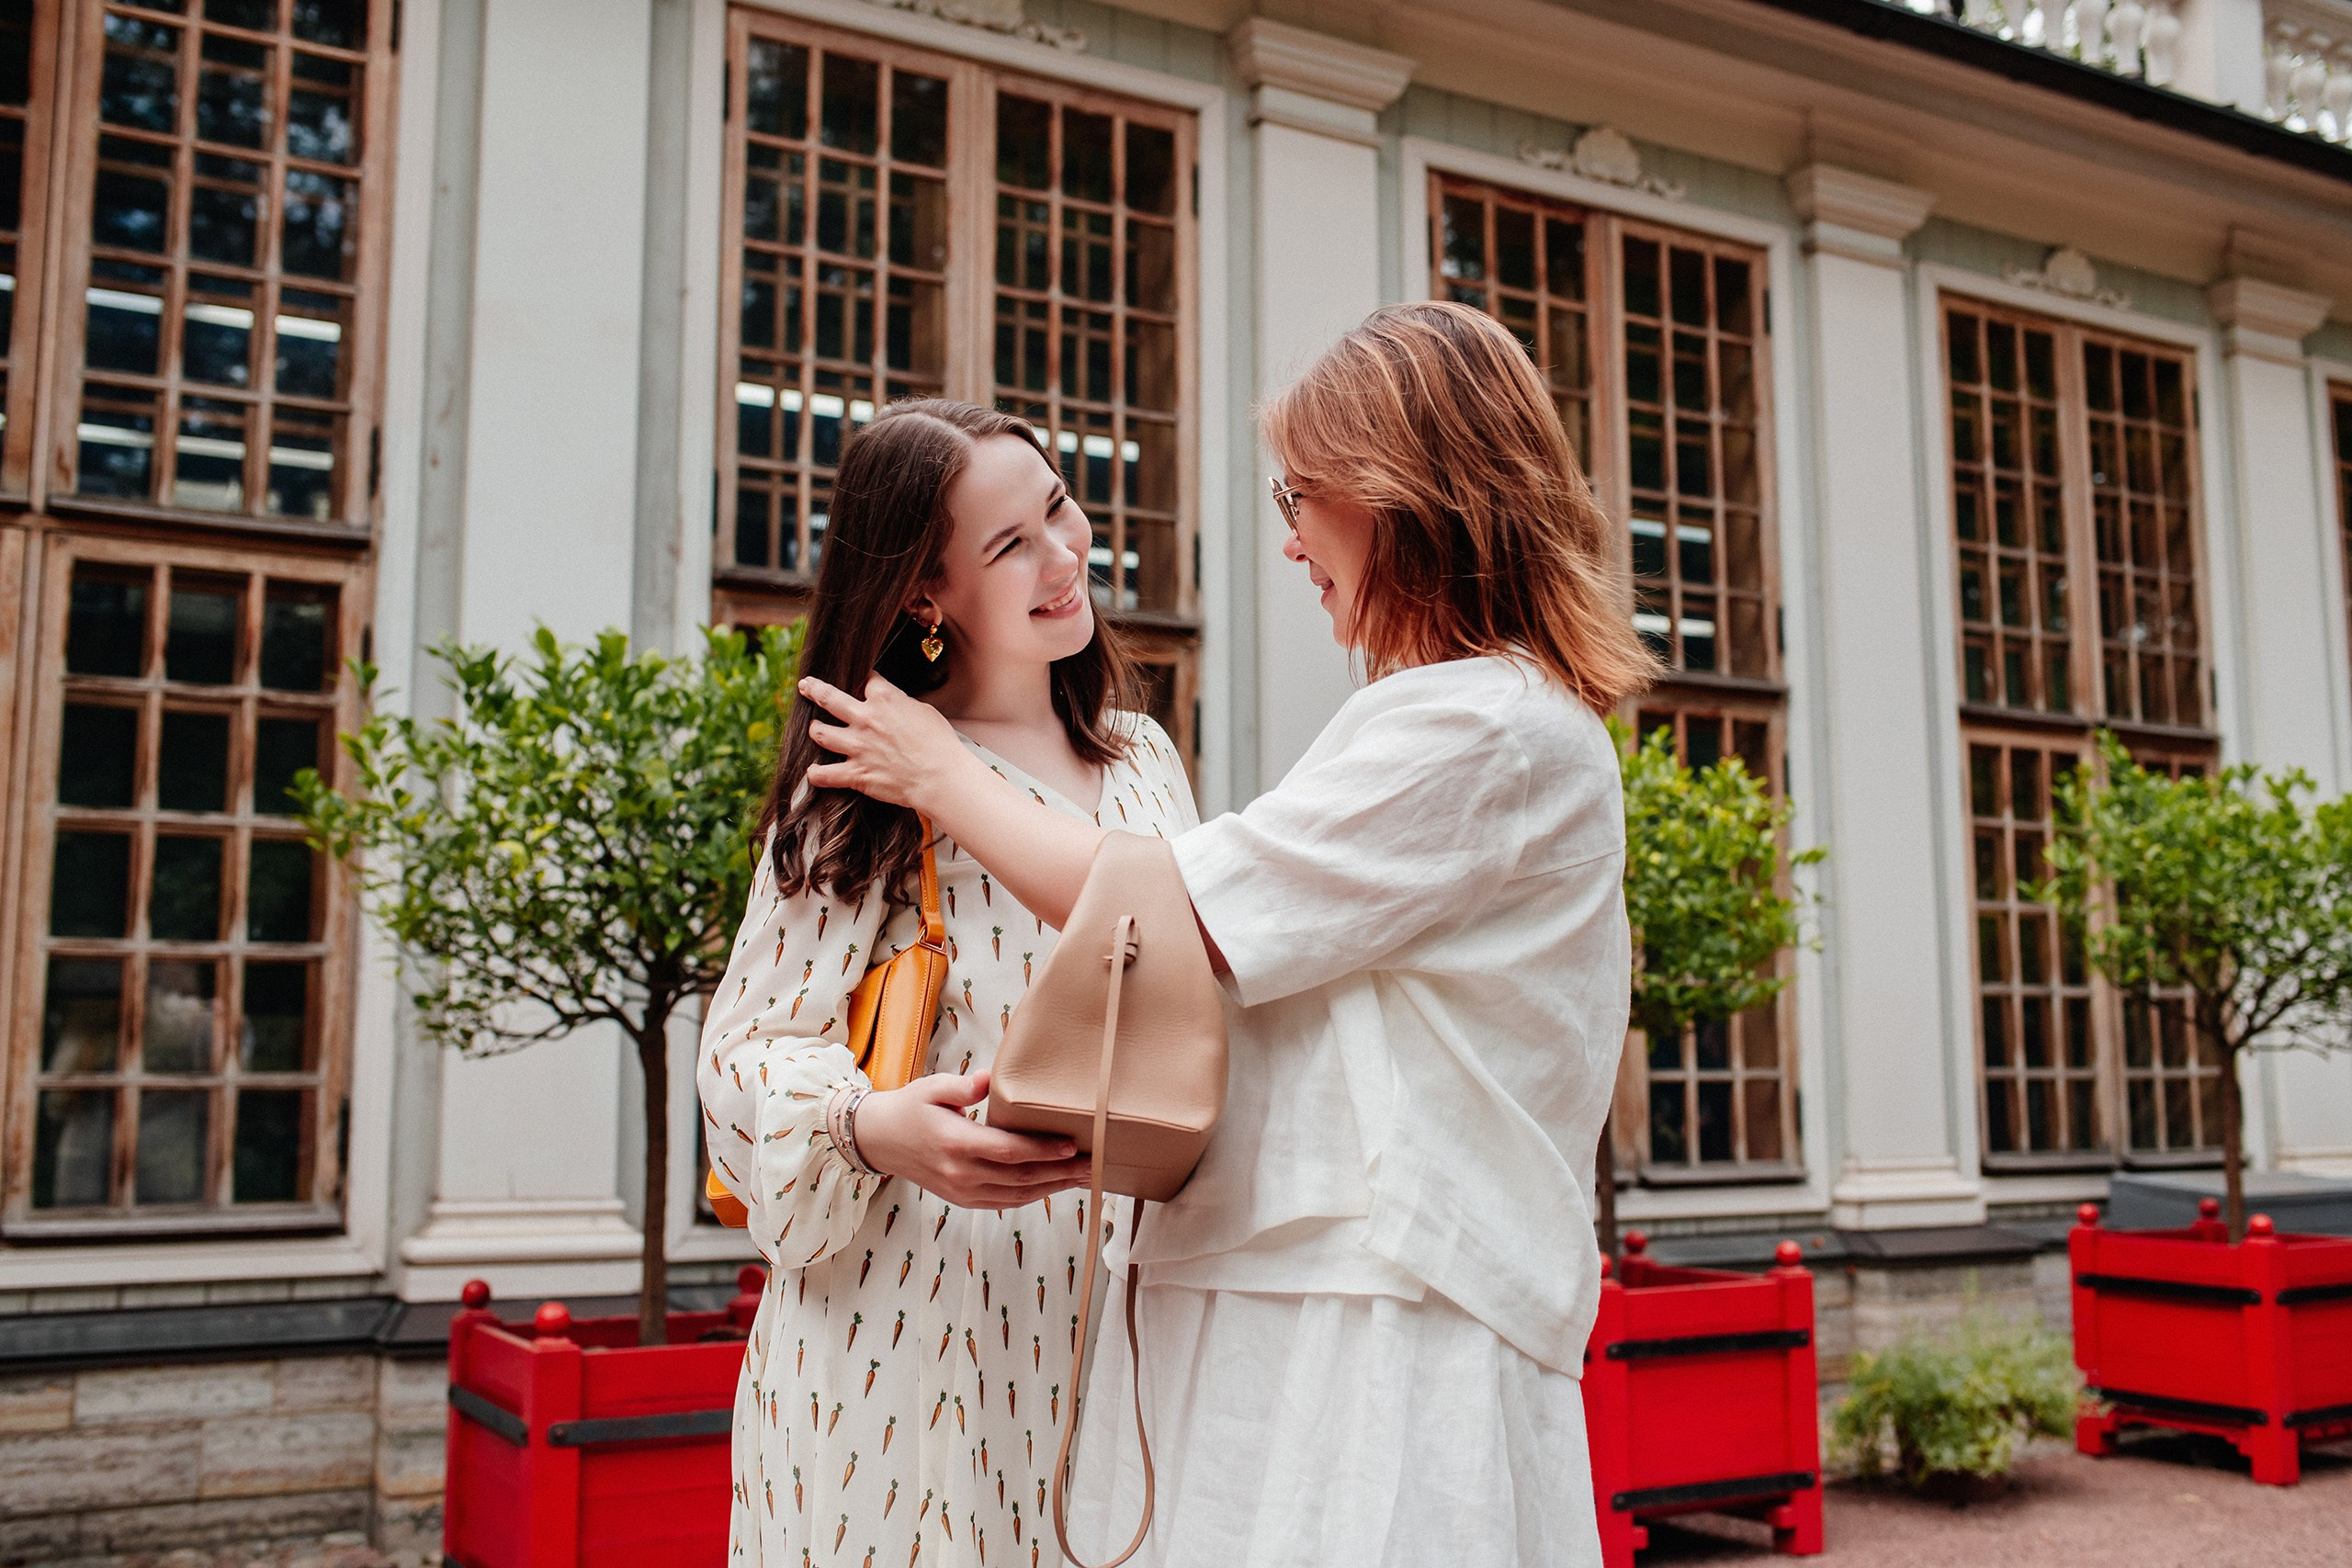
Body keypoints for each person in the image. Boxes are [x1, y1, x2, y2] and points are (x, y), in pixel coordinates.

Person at [796, 300, 1657, 1568]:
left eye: (1302, 494)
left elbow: (1171, 918)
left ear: (1400, 493)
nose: (1294, 537)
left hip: (1376, 1308)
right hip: (1320, 1284)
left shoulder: (1488, 728)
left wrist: (938, 770)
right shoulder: (1449, 714)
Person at [698, 400, 1199, 1568]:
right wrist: (871, 1127)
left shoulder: (1145, 760)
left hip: (1125, 1317)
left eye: (1060, 509)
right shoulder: (862, 779)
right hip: (915, 1324)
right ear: (923, 595)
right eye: (1009, 544)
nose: (1063, 555)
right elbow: (743, 1053)